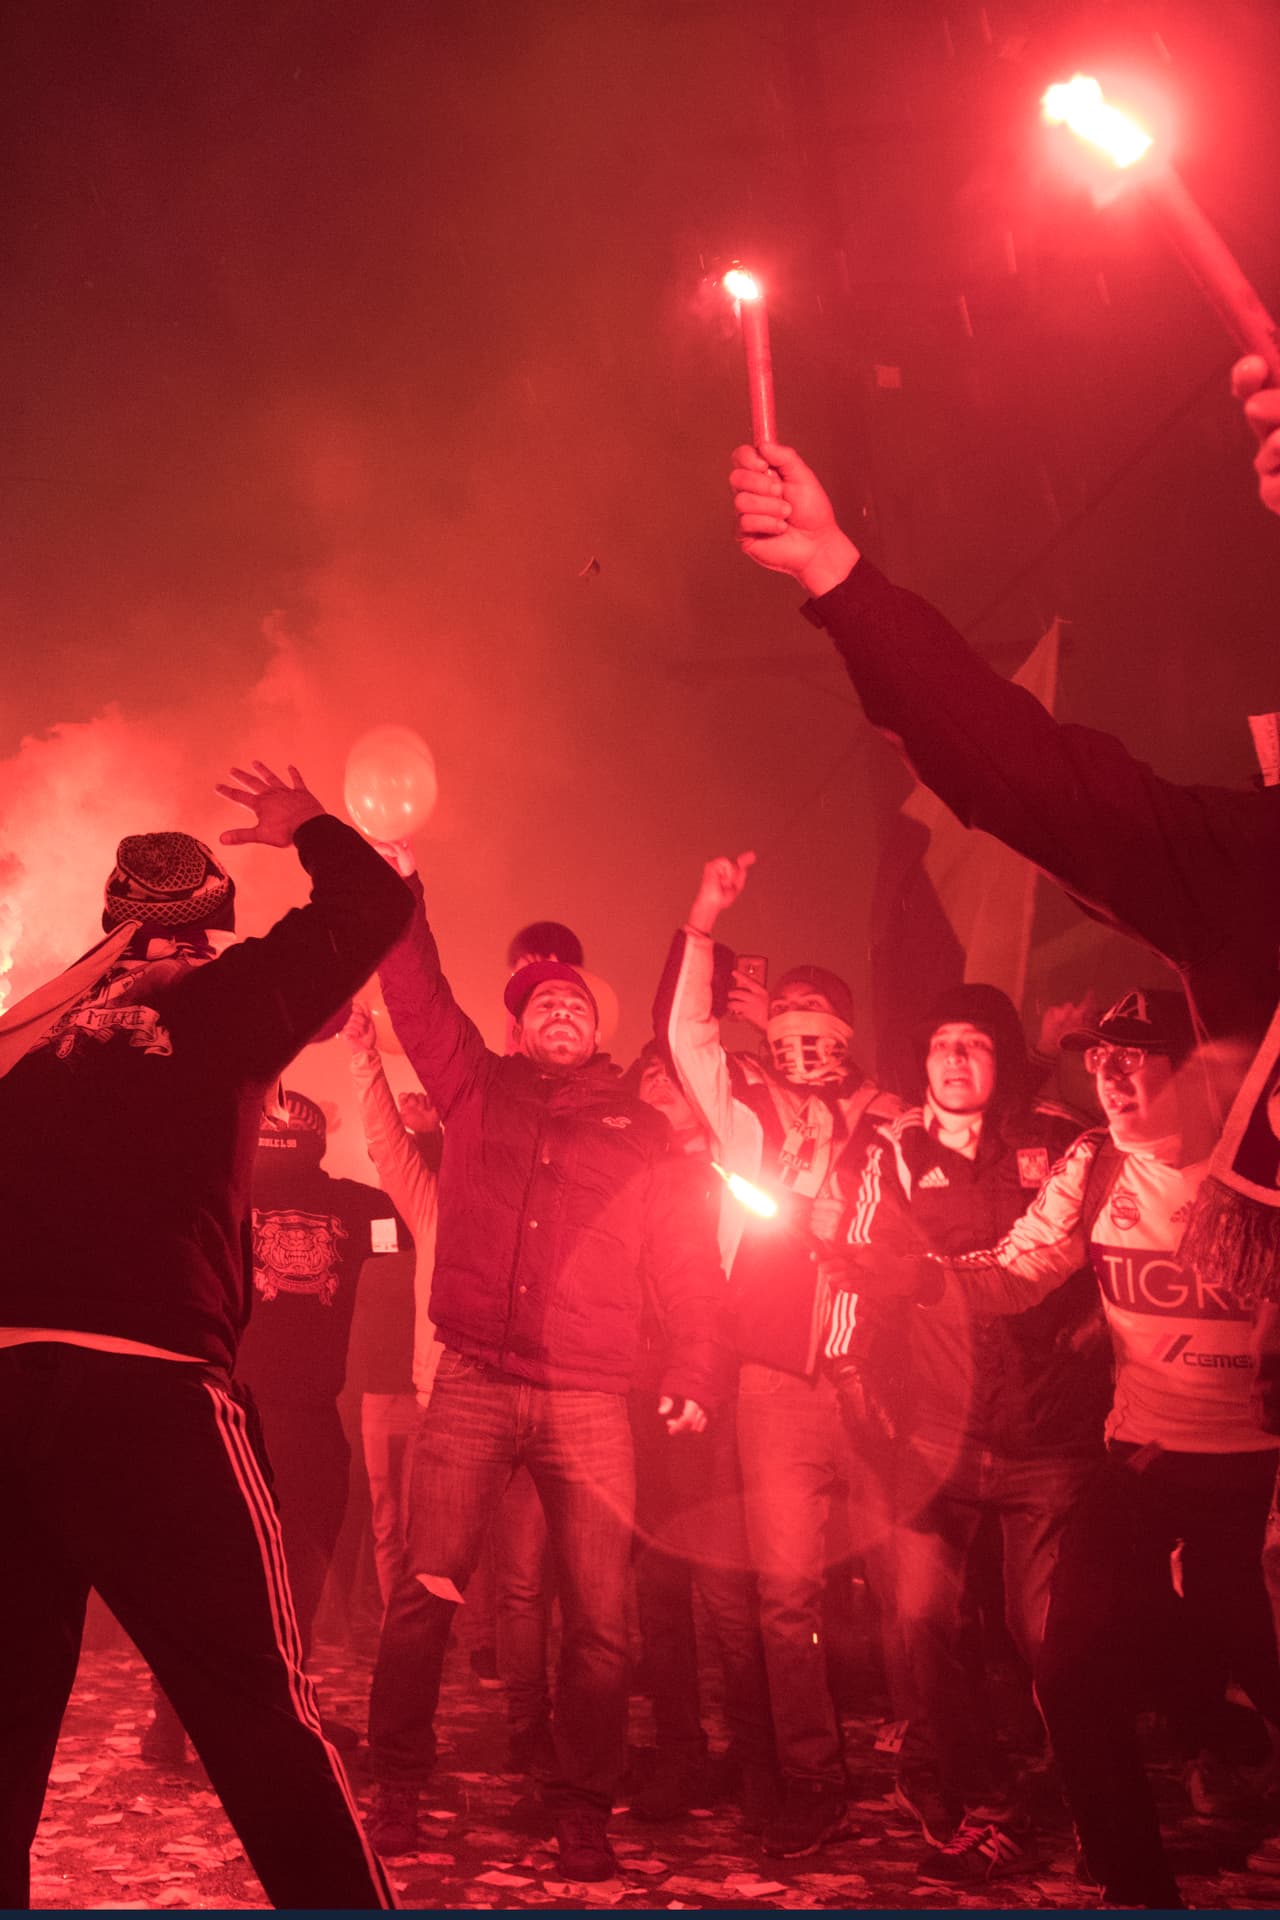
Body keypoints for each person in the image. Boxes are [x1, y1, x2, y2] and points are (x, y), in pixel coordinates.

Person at [0, 761, 410, 1911]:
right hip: (146, 1392)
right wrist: (308, 823)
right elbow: (373, 905)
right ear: (210, 935)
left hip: (0, 1382)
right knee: (258, 1710)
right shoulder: (227, 1002)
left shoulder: (24, 1038)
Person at [861, 988, 1280, 1909]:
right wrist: (923, 1278)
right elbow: (1019, 1271)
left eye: (1136, 1056)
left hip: (1258, 1475)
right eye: (1099, 1057)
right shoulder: (1094, 1164)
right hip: (1138, 1460)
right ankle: (1136, 1887)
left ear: (1197, 1067)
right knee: (1068, 1669)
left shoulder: (1258, 1169)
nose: (1110, 1074)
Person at [364, 847, 725, 1882]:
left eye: (573, 1003)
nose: (558, 1012)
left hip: (588, 1398)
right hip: (475, 1378)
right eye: (539, 1005)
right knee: (426, 1595)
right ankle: (396, 1787)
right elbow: (417, 996)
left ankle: (583, 1809)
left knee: (600, 1625)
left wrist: (694, 1368)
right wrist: (403, 897)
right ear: (515, 1027)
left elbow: (686, 1262)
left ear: (595, 1025)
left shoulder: (644, 1133)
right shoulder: (477, 1089)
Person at [657, 850, 904, 1858]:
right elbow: (684, 1035)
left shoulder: (888, 1121)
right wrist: (704, 919)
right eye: (784, 1014)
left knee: (912, 1589)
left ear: (842, 1035)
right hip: (773, 1386)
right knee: (785, 1592)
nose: (799, 1029)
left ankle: (943, 1759)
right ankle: (811, 1775)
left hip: (877, 1382)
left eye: (818, 1017)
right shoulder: (745, 1115)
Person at [875, 985, 1110, 1883]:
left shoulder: (1057, 1142)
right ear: (923, 1061)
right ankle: (983, 1797)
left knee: (1044, 1629)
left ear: (1002, 1058)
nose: (958, 1059)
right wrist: (877, 1396)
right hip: (938, 1432)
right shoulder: (892, 1153)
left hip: (1047, 1431)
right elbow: (872, 1276)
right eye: (943, 1044)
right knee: (922, 1617)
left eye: (976, 1043)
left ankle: (1098, 1796)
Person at [626, 1039, 775, 1828]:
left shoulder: (729, 1170)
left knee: (723, 1588)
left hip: (708, 1395)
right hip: (637, 1394)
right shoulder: (627, 1172)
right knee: (656, 1587)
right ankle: (681, 1755)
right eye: (643, 1077)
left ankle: (760, 1770)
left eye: (668, 1078)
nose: (655, 1088)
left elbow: (720, 1293)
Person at [235, 1087, 400, 1661]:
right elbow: (420, 1219)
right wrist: (421, 1140)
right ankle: (289, 1705)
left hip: (228, 1409)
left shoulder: (218, 1193)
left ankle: (173, 1721)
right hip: (308, 1417)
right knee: (300, 1570)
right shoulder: (359, 1207)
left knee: (215, 1562)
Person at [344, 1003, 443, 1616]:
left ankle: (465, 1636)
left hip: (445, 1389)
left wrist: (429, 1136)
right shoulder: (370, 1211)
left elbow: (417, 1168)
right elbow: (388, 1149)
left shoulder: (447, 1211)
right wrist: (364, 1058)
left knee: (439, 1519)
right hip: (385, 1386)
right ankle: (396, 1624)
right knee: (387, 1517)